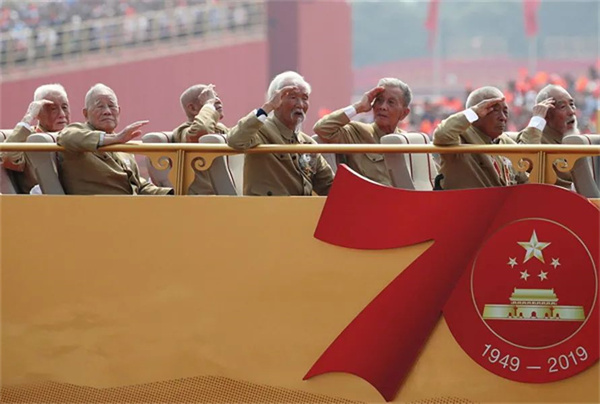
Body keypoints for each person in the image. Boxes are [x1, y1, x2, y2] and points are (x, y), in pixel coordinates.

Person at [227, 71, 333, 196]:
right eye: (293, 97)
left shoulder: (308, 144)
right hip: (266, 207)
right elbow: (235, 140)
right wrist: (268, 107)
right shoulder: (261, 131)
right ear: (276, 100)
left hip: (302, 207)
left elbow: (330, 185)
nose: (300, 104)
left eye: (304, 98)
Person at [57, 83, 172, 195]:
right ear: (86, 113)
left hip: (130, 205)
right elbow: (65, 137)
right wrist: (113, 139)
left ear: (119, 111)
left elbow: (138, 186)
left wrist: (171, 194)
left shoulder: (123, 146)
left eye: (111, 106)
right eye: (100, 106)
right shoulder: (79, 133)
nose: (107, 111)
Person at [433, 86, 545, 190]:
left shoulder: (504, 141)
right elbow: (441, 135)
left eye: (505, 111)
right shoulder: (461, 136)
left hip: (505, 203)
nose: (503, 117)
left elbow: (525, 162)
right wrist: (473, 112)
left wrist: (537, 121)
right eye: (494, 110)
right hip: (467, 203)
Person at [313, 78, 411, 185]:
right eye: (379, 100)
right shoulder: (357, 132)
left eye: (391, 102)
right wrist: (359, 107)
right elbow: (322, 128)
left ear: (404, 113)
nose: (383, 107)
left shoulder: (409, 143)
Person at [1, 83, 71, 193]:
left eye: (64, 107)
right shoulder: (28, 141)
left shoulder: (75, 136)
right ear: (38, 114)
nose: (62, 114)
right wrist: (29, 116)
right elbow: (7, 157)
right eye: (53, 109)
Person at [172, 83, 228, 195]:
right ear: (192, 108)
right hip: (201, 199)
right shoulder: (183, 131)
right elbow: (201, 132)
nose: (217, 101)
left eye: (216, 96)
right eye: (209, 98)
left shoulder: (221, 129)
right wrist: (209, 106)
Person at [520, 85, 578, 189]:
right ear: (546, 114)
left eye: (572, 104)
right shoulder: (532, 138)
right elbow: (526, 162)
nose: (572, 112)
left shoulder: (575, 141)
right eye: (563, 107)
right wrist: (537, 120)